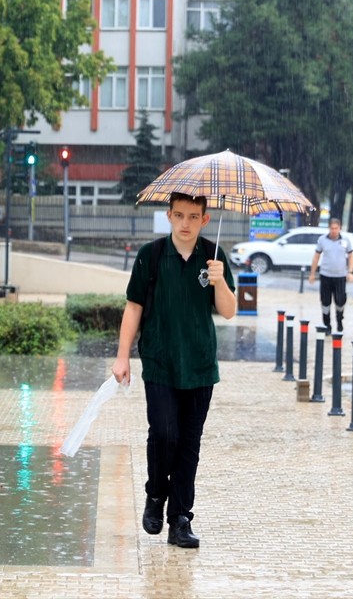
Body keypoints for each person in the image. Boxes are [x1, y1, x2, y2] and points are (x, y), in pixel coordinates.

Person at [112, 193, 237, 549]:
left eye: (193, 216)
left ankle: (180, 519)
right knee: (165, 434)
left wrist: (220, 281)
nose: (185, 223)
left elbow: (228, 311)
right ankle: (156, 493)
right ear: (168, 216)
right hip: (160, 361)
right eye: (179, 215)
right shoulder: (150, 256)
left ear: (204, 219)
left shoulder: (213, 257)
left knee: (189, 445)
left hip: (199, 365)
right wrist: (122, 357)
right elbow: (134, 307)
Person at [308, 217, 353, 331]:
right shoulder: (322, 240)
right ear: (329, 228)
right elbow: (316, 257)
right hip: (325, 275)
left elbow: (351, 256)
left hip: (340, 276)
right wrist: (312, 273)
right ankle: (327, 324)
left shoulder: (345, 241)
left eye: (336, 228)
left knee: (340, 300)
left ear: (340, 228)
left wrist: (350, 272)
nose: (334, 230)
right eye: (332, 228)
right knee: (325, 301)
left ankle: (339, 321)